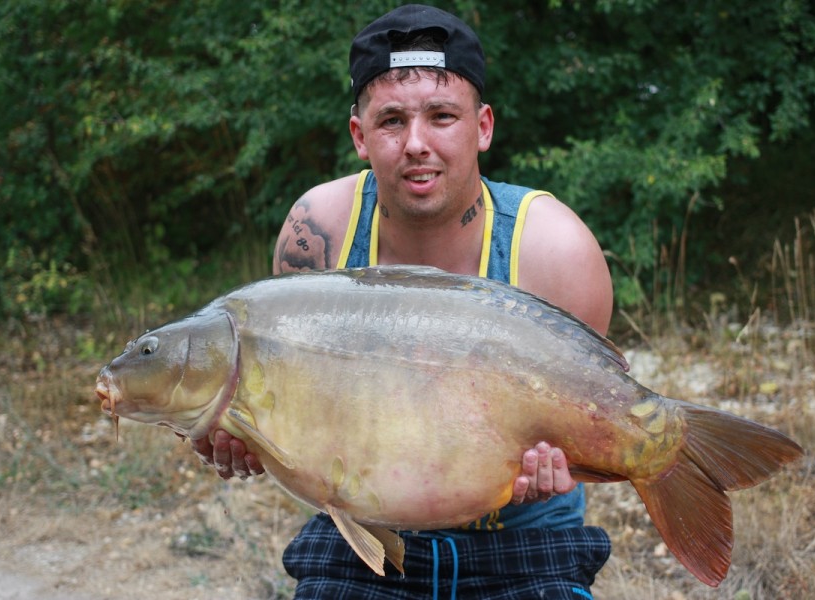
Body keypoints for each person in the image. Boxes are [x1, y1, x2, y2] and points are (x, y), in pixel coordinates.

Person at [193, 4, 614, 598]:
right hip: (361, 533)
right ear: (360, 136)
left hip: (522, 538)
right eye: (392, 120)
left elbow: (591, 414)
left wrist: (564, 461)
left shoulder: (555, 249)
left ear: (483, 127)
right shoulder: (319, 232)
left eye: (442, 116)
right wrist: (249, 436)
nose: (417, 143)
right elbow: (298, 422)